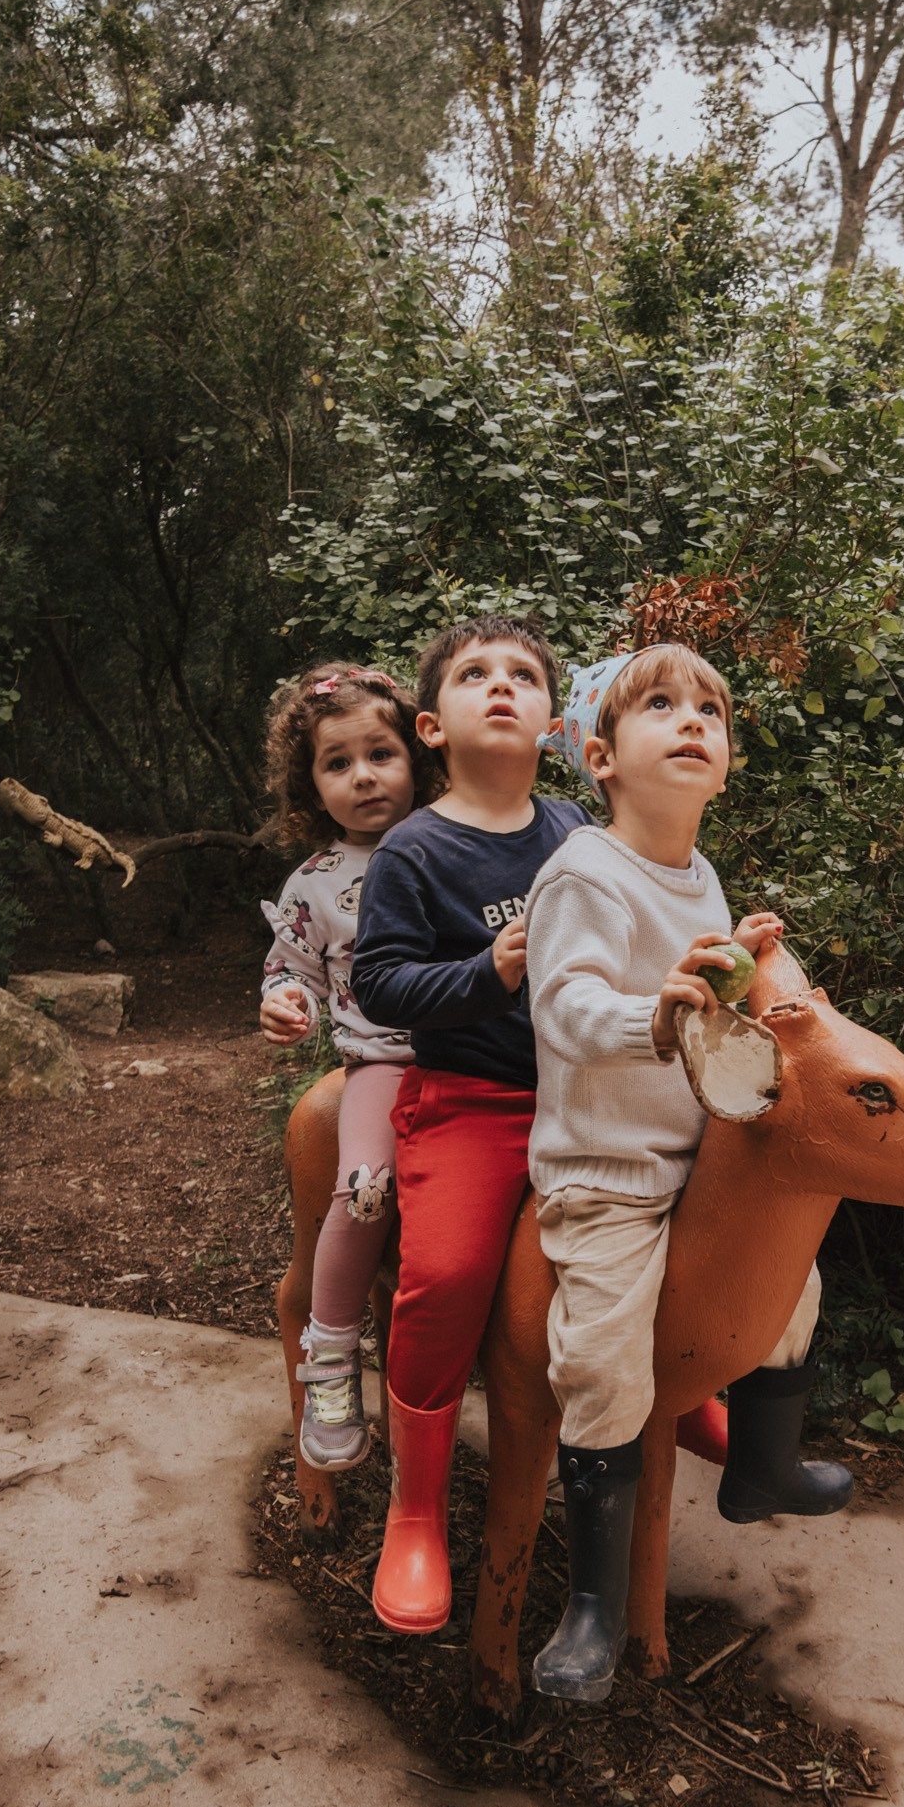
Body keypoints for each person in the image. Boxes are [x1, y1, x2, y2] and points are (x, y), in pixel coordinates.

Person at [524, 642, 853, 1702]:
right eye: (659, 704)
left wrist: (739, 960)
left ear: (723, 763)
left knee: (790, 1281)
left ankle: (762, 1464)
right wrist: (652, 1013)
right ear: (600, 755)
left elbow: (710, 992)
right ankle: (593, 1601)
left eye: (709, 707)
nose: (692, 718)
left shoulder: (698, 872)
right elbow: (564, 1002)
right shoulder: (584, 869)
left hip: (695, 1153)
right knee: (607, 1353)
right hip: (609, 1169)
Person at [349, 616, 590, 1634]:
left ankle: (693, 1386)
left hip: (590, 1097)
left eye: (524, 674)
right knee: (445, 1276)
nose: (502, 685)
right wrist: (489, 972)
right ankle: (414, 1514)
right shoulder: (415, 847)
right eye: (476, 674)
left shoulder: (578, 828)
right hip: (472, 1102)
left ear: (554, 719)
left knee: (698, 1201)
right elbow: (380, 980)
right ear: (431, 724)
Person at [260, 662, 428, 1473]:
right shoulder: (317, 884)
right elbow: (288, 965)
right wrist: (286, 1001)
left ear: (415, 756)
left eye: (380, 754)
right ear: (310, 783)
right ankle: (331, 1364)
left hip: (495, 1064)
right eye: (337, 762)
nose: (363, 776)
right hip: (386, 1066)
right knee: (363, 1192)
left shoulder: (456, 839)